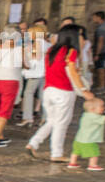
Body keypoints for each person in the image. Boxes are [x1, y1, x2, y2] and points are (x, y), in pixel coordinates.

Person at [27, 23, 88, 163]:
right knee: (61, 123)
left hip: (49, 90)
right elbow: (72, 71)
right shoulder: (71, 51)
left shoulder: (52, 50)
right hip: (63, 90)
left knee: (51, 121)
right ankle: (56, 153)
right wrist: (84, 90)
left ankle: (33, 143)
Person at [67, 94, 105, 172]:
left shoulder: (86, 114)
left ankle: (72, 163)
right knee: (94, 152)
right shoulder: (94, 117)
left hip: (78, 139)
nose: (104, 108)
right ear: (92, 109)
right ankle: (92, 165)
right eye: (101, 106)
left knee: (76, 151)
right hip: (89, 140)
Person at [19, 19, 49, 127]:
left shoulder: (38, 42)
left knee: (28, 93)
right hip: (44, 72)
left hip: (35, 72)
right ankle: (45, 118)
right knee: (42, 95)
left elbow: (36, 57)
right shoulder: (46, 43)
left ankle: (27, 117)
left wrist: (25, 52)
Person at [90, 12, 105, 93]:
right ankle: (100, 85)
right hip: (104, 50)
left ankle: (102, 86)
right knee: (100, 68)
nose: (93, 19)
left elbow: (100, 41)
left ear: (99, 17)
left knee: (100, 69)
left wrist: (97, 53)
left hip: (101, 51)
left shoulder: (101, 29)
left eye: (94, 17)